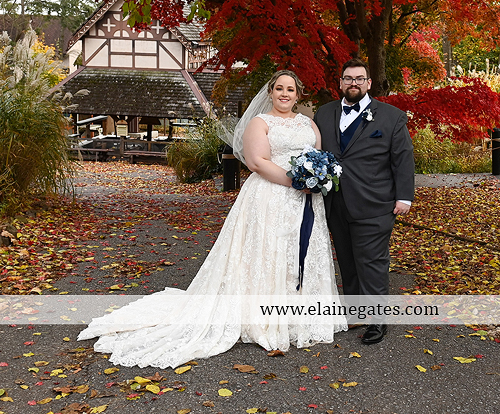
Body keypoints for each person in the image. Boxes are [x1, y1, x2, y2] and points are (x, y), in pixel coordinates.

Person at [78, 70, 346, 368]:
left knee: (301, 252)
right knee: (268, 252)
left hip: (306, 201)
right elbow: (257, 162)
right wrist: (297, 181)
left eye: (290, 89)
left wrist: (316, 179)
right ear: (271, 92)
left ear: (298, 95)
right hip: (271, 196)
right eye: (279, 88)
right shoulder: (260, 123)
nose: (285, 94)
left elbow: (318, 155)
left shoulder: (308, 123)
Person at [313, 58, 415, 345]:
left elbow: (403, 158)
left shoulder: (391, 117)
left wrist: (404, 197)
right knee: (347, 260)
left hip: (375, 203)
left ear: (369, 83)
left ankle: (378, 320)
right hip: (335, 202)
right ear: (340, 83)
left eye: (359, 79)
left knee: (372, 261)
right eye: (348, 78)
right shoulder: (324, 114)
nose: (353, 83)